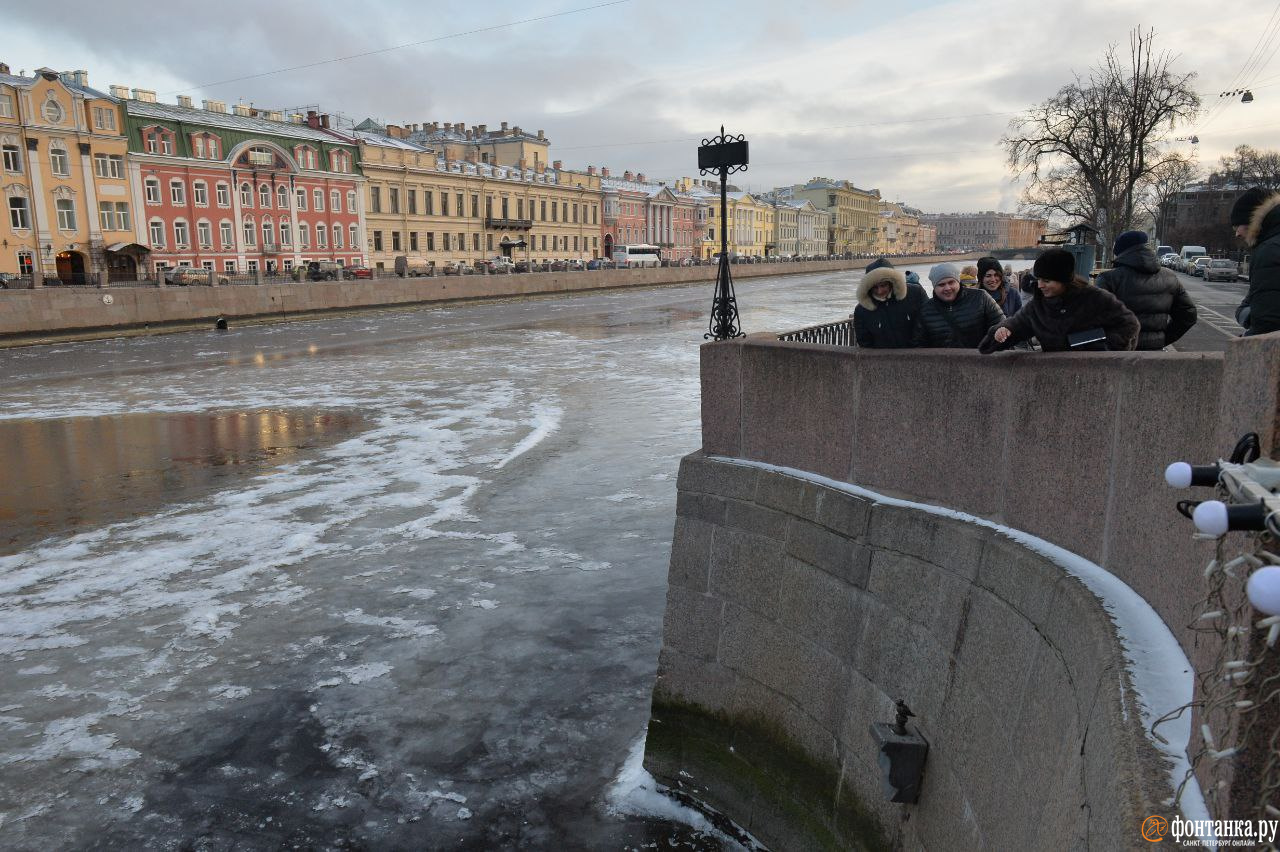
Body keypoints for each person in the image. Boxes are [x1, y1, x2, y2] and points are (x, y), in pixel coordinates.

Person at [980, 248, 1140, 353]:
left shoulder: (1095, 298)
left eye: (1047, 281)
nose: (1040, 285)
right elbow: (1017, 323)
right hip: (1054, 375)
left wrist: (1097, 349)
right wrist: (1002, 331)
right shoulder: (1038, 306)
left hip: (1094, 375)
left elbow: (1129, 325)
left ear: (1063, 281)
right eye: (1039, 279)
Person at [1094, 230, 1197, 350]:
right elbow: (1188, 314)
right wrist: (1162, 339)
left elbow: (1091, 318)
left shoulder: (1109, 278)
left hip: (1118, 354)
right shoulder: (1170, 277)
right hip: (1154, 353)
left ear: (1120, 252)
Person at [914, 262, 1005, 348]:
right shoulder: (926, 310)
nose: (947, 288)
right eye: (941, 285)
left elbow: (1002, 325)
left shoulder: (981, 298)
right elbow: (919, 344)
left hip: (980, 361)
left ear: (958, 282)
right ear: (934, 287)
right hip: (944, 363)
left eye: (951, 282)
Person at [1231, 187, 1280, 337]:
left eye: (1237, 226)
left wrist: (1245, 341)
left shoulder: (1269, 250)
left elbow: (1267, 321)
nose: (1237, 233)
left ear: (1251, 219)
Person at [853, 257, 926, 348]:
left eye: (883, 285)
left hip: (918, 356)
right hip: (882, 360)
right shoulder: (862, 310)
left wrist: (915, 350)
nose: (879, 291)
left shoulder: (915, 293)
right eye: (875, 287)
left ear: (892, 282)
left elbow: (927, 323)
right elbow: (865, 343)